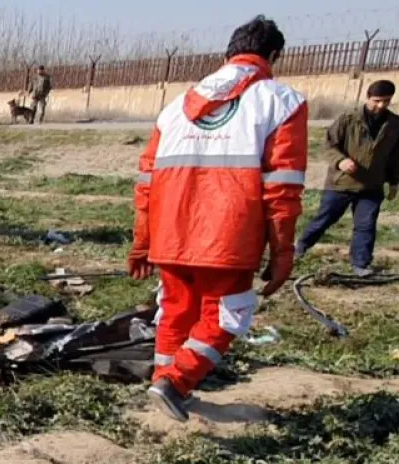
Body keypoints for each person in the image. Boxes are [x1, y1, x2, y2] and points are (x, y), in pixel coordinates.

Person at [130, 16, 306, 423]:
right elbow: (282, 188)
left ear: (227, 54)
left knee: (175, 312)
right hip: (229, 235)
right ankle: (175, 383)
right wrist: (282, 251)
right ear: (274, 55)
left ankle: (167, 385)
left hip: (170, 233)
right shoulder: (281, 102)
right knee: (226, 315)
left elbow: (146, 181)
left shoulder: (175, 108)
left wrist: (143, 241)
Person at [296, 80, 398, 278]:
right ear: (367, 97)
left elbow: (395, 156)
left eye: (386, 101)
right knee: (324, 220)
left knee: (366, 226)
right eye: (376, 100)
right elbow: (328, 146)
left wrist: (394, 181)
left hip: (372, 186)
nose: (380, 105)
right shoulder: (348, 119)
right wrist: (340, 161)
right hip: (341, 183)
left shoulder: (394, 125)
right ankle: (301, 246)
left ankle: (361, 264)